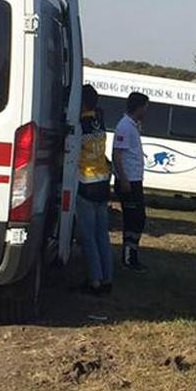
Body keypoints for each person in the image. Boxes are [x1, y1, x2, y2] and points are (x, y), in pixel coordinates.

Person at [76, 85, 113, 295]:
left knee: (88, 237)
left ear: (81, 103)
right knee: (102, 236)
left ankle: (95, 281)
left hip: (86, 184)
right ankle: (108, 279)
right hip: (103, 183)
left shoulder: (80, 126)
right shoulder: (100, 122)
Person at [112, 92, 149, 272]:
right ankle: (128, 257)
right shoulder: (125, 126)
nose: (146, 111)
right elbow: (117, 154)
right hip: (128, 181)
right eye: (145, 107)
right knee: (133, 218)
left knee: (138, 218)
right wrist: (123, 178)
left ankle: (132, 254)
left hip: (135, 179)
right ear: (139, 107)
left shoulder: (133, 126)